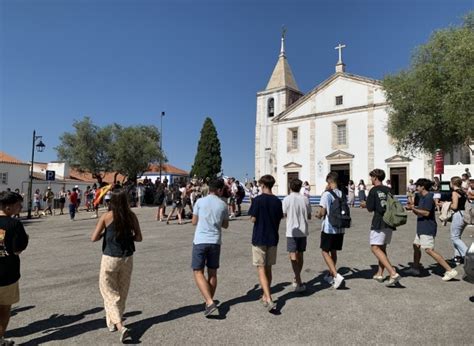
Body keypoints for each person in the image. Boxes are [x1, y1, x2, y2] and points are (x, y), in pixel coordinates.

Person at [91, 189, 142, 343]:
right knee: (122, 291)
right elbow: (139, 237)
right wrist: (128, 236)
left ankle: (120, 326)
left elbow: (93, 238)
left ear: (111, 202)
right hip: (127, 257)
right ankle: (111, 321)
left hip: (110, 257)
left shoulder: (106, 217)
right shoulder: (131, 216)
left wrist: (105, 234)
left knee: (109, 292)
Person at [405, 179, 458, 281]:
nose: (416, 188)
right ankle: (415, 268)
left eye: (418, 186)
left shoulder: (429, 197)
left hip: (427, 227)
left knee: (429, 249)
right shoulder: (421, 197)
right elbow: (420, 212)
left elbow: (427, 213)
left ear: (422, 187)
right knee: (416, 246)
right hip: (421, 226)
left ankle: (450, 270)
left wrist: (414, 209)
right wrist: (412, 208)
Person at [191, 179, 229, 317]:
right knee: (212, 273)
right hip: (215, 241)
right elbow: (225, 225)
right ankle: (209, 302)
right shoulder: (223, 204)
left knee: (198, 271)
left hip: (200, 240)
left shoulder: (200, 202)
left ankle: (209, 301)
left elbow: (194, 222)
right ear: (219, 190)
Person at [248, 175, 283, 311]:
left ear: (262, 185)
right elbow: (279, 218)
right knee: (268, 268)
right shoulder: (277, 201)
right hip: (273, 237)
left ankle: (268, 298)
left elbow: (253, 219)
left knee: (261, 268)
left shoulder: (257, 200)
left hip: (259, 237)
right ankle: (264, 294)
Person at [362, 169, 401, 286]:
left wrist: (364, 204)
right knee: (382, 248)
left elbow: (370, 208)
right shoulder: (389, 190)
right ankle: (380, 273)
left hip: (379, 221)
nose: (371, 179)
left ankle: (392, 273)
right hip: (389, 221)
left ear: (375, 177)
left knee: (375, 248)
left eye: (371, 177)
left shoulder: (373, 190)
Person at [0, 191, 29, 346]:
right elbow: (17, 250)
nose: (21, 208)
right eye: (19, 205)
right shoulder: (15, 224)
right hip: (7, 274)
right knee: (4, 309)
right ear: (9, 207)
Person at [315, 172, 346, 289]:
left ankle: (336, 275)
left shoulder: (327, 194)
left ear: (329, 181)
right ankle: (330, 274)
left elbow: (322, 212)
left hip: (329, 228)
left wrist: (317, 215)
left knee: (324, 251)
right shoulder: (342, 194)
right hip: (340, 227)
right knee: (334, 251)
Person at [282, 178, 311, 292]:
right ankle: (296, 278)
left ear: (290, 187)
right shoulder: (305, 199)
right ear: (300, 188)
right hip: (303, 231)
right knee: (301, 255)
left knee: (293, 256)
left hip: (291, 231)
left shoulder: (286, 199)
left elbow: (284, 214)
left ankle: (298, 280)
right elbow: (309, 216)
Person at [449, 176, 468, 265]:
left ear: (453, 183)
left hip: (458, 214)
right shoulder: (463, 192)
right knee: (457, 236)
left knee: (454, 237)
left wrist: (446, 204)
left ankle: (468, 255)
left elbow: (455, 206)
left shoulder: (455, 193)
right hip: (464, 214)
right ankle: (458, 257)